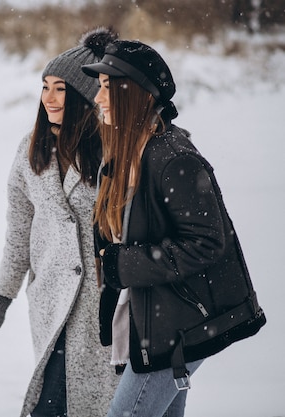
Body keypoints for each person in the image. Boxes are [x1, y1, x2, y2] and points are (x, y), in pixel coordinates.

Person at [81, 40, 266, 417]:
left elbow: (206, 242)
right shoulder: (129, 151)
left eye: (105, 87)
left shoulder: (172, 158)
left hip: (180, 323)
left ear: (132, 93)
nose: (97, 98)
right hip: (156, 318)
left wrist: (125, 264)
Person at [0, 27, 120, 417]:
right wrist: (3, 290)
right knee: (53, 399)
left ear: (82, 94)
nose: (49, 98)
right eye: (45, 87)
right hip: (50, 300)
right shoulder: (31, 150)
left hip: (103, 305)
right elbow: (19, 228)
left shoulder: (112, 149)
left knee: (97, 403)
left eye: (60, 88)